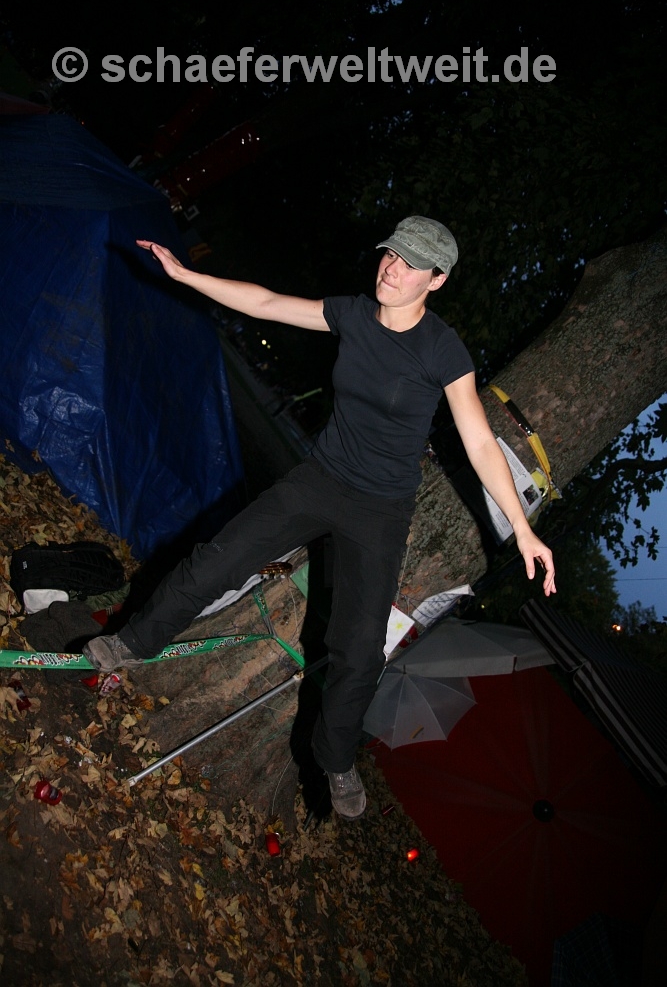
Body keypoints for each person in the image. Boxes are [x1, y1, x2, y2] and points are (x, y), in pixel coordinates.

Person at [84, 216, 556, 820]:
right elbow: (267, 302)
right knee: (217, 561)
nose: (393, 270)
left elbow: (481, 442)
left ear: (436, 281)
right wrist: (185, 275)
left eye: (411, 265)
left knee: (359, 649)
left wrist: (523, 528)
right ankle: (132, 643)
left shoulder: (443, 351)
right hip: (320, 480)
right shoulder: (354, 314)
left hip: (381, 511)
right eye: (391, 255)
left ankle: (335, 759)